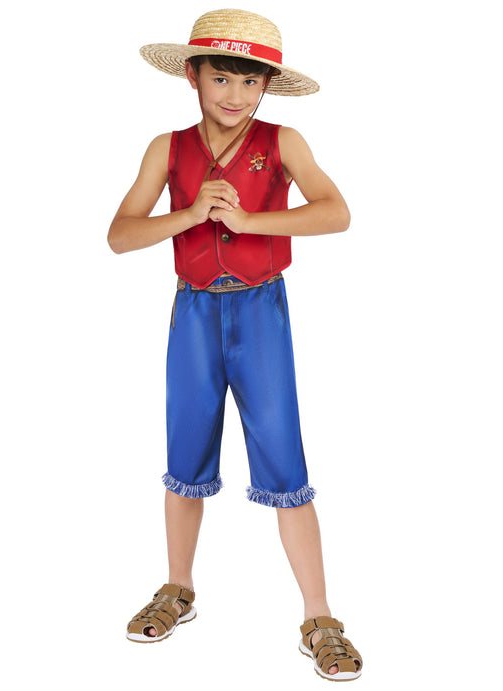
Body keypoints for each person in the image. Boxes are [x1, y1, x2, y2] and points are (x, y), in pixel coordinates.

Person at [108, 8, 363, 682]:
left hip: (260, 312)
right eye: (220, 77)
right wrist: (190, 213)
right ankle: (178, 587)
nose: (235, 94)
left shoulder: (283, 142)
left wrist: (250, 220)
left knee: (283, 455)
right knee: (185, 451)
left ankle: (319, 617)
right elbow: (120, 235)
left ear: (267, 87)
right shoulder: (167, 148)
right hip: (192, 314)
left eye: (250, 82)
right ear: (191, 76)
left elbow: (336, 212)